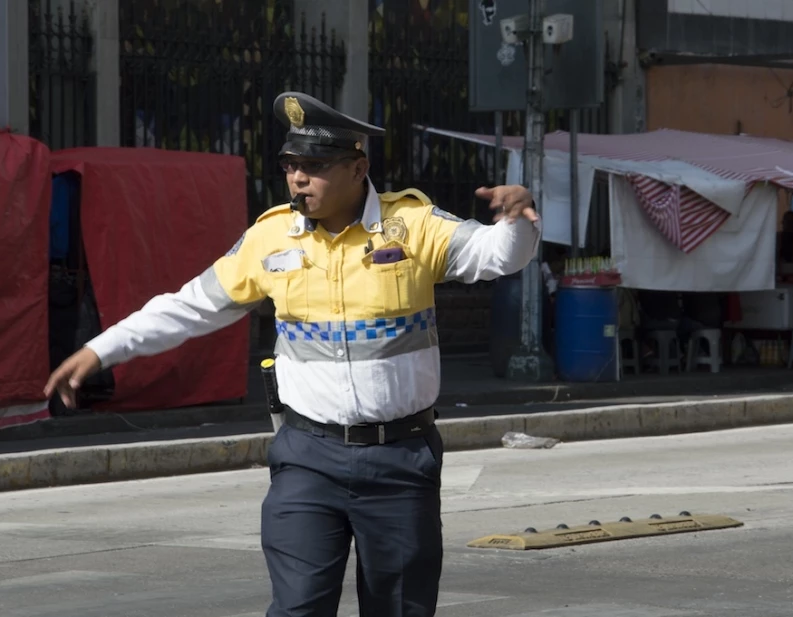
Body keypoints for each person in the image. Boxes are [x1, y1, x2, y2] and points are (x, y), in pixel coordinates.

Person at [44, 92, 541, 616]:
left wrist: (517, 222)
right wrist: (100, 350)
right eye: (290, 166)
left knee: (399, 607)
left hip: (399, 458)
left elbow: (495, 256)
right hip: (307, 457)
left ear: (358, 168)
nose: (299, 178)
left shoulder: (412, 225)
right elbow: (189, 307)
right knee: (298, 606)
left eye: (315, 166)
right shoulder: (270, 237)